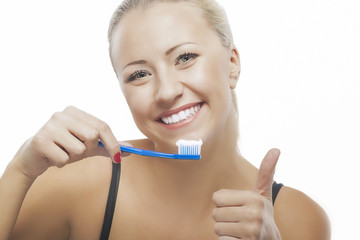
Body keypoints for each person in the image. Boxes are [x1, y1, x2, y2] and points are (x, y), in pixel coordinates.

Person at [0, 0, 331, 239]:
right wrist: (21, 170)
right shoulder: (77, 182)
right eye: (139, 74)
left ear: (232, 64)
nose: (166, 91)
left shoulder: (299, 220)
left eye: (185, 58)